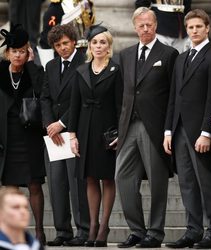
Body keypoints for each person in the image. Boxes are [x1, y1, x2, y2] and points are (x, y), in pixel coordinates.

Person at [116, 7, 178, 248]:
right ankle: (137, 231)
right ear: (134, 27)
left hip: (156, 127)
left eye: (149, 24)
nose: (145, 28)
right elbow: (122, 93)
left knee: (157, 181)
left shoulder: (169, 53)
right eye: (141, 25)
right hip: (128, 125)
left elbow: (174, 96)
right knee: (122, 177)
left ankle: (155, 232)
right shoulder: (125, 54)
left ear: (156, 25)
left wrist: (169, 129)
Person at [163, 9, 211, 249]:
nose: (195, 31)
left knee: (207, 182)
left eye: (199, 26)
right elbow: (173, 98)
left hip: (200, 132)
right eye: (190, 27)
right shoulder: (181, 58)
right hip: (179, 131)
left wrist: (207, 132)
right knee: (187, 182)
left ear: (207, 28)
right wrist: (168, 130)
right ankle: (193, 231)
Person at [68, 24, 123, 247]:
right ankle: (92, 224)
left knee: (107, 178)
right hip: (84, 130)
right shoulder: (80, 71)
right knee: (90, 178)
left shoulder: (116, 70)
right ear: (89, 46)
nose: (99, 46)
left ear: (109, 46)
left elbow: (121, 105)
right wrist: (72, 135)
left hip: (108, 132)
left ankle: (104, 226)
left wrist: (120, 133)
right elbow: (74, 105)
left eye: (103, 42)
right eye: (95, 42)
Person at [40, 24, 89, 247]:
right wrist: (50, 124)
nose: (62, 48)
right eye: (58, 45)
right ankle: (63, 231)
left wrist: (61, 124)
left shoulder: (84, 63)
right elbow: (45, 97)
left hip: (74, 132)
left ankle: (84, 230)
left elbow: (83, 99)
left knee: (76, 183)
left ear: (74, 41)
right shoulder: (50, 66)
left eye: (65, 43)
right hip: (53, 136)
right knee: (57, 184)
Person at [0, 24, 46, 245]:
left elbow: (44, 91)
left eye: (22, 51)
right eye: (14, 51)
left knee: (34, 185)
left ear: (28, 52)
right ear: (7, 53)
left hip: (30, 137)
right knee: (10, 188)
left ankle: (39, 231)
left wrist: (32, 65)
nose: (18, 55)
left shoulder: (34, 73)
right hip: (6, 138)